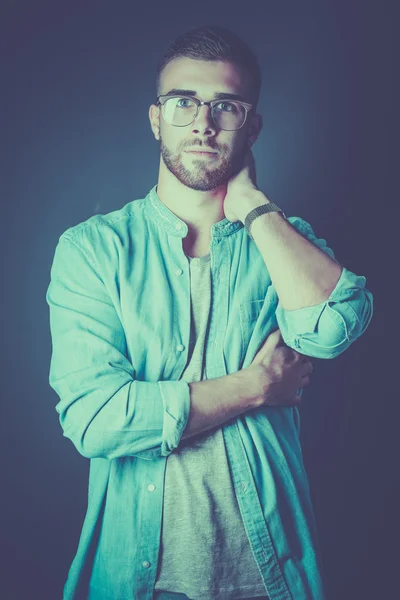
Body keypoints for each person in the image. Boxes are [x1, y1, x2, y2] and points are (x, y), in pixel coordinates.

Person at [46, 25, 374, 600]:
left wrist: (252, 207)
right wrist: (255, 387)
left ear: (252, 125)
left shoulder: (282, 242)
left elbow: (335, 328)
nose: (203, 122)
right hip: (138, 579)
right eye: (183, 103)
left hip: (268, 574)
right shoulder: (93, 249)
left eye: (226, 105)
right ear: (156, 119)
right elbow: (96, 420)